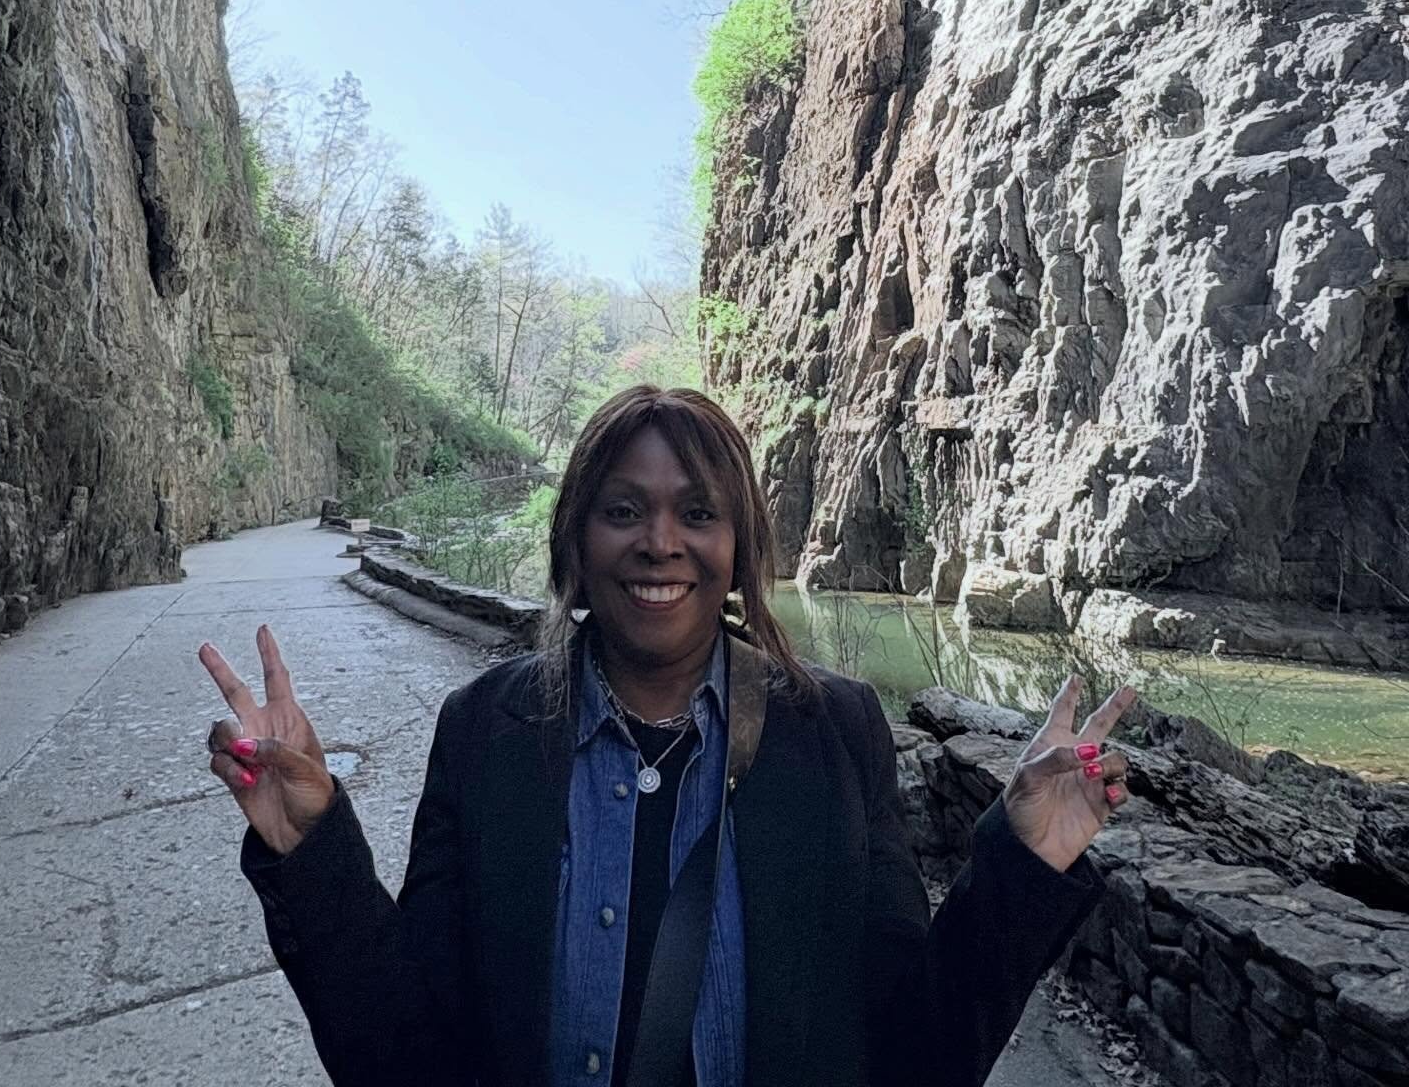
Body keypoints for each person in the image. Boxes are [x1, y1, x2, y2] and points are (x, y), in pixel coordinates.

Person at [200, 385, 1134, 1087]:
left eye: (697, 512)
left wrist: (1021, 863)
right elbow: (405, 1054)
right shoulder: (487, 732)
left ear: (739, 548)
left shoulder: (835, 734)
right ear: (576, 541)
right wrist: (311, 852)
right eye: (622, 511)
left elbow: (911, 1051)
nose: (659, 541)